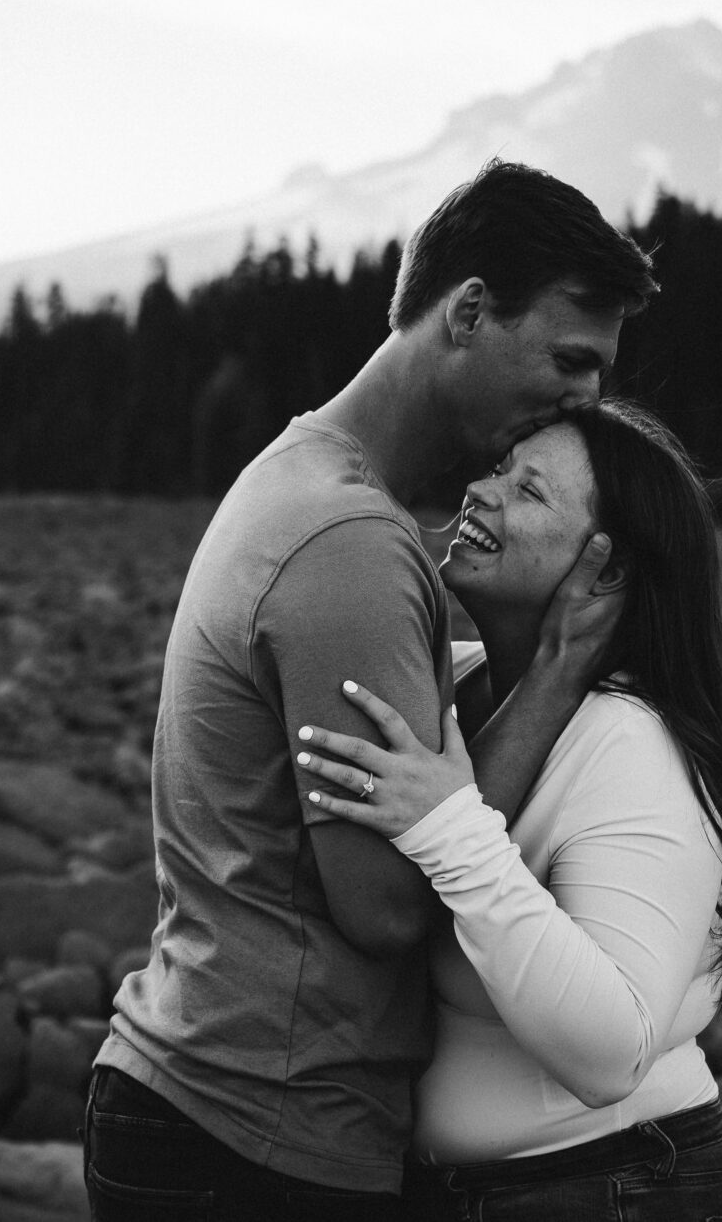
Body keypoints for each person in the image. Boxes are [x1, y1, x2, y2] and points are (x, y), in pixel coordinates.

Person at [88, 160, 660, 1219]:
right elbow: (389, 900)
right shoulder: (352, 541)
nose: (589, 401)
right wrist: (556, 671)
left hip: (211, 1098)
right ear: (470, 311)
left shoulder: (296, 473)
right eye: (571, 359)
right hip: (260, 1133)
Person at [296, 399, 722, 1222]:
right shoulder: (452, 685)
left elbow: (611, 1049)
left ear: (608, 570)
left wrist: (452, 827)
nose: (482, 492)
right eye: (497, 469)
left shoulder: (628, 742)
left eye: (530, 492)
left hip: (625, 1186)